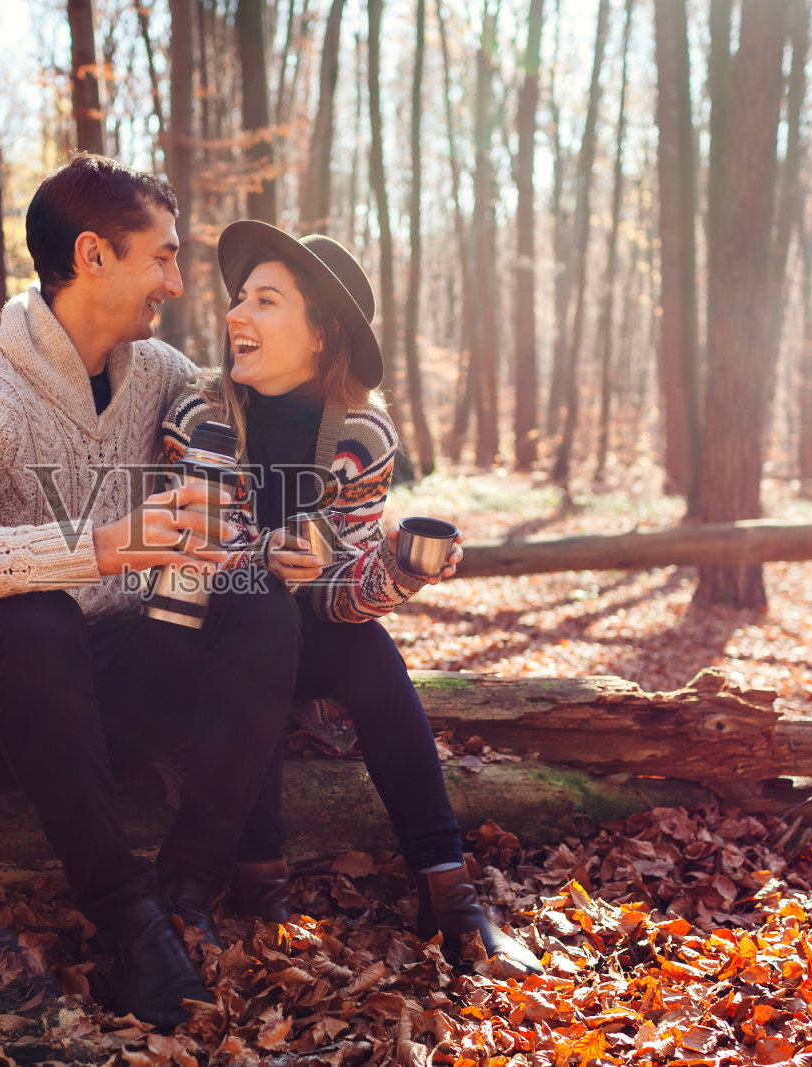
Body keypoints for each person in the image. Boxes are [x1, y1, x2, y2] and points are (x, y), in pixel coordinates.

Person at [0, 158, 302, 1027]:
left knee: (262, 601)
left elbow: (243, 434)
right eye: (163, 258)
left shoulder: (161, 374)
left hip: (117, 680)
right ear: (94, 254)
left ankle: (187, 887)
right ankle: (131, 922)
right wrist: (97, 547)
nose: (177, 285)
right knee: (35, 616)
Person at [159, 220, 544, 977]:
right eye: (239, 298)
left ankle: (448, 887)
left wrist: (400, 568)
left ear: (319, 334)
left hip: (300, 636)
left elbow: (340, 600)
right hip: (202, 640)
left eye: (264, 301)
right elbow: (187, 559)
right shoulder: (199, 416)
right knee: (264, 609)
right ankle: (260, 873)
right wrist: (266, 558)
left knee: (362, 648)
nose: (236, 314)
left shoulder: (361, 435)